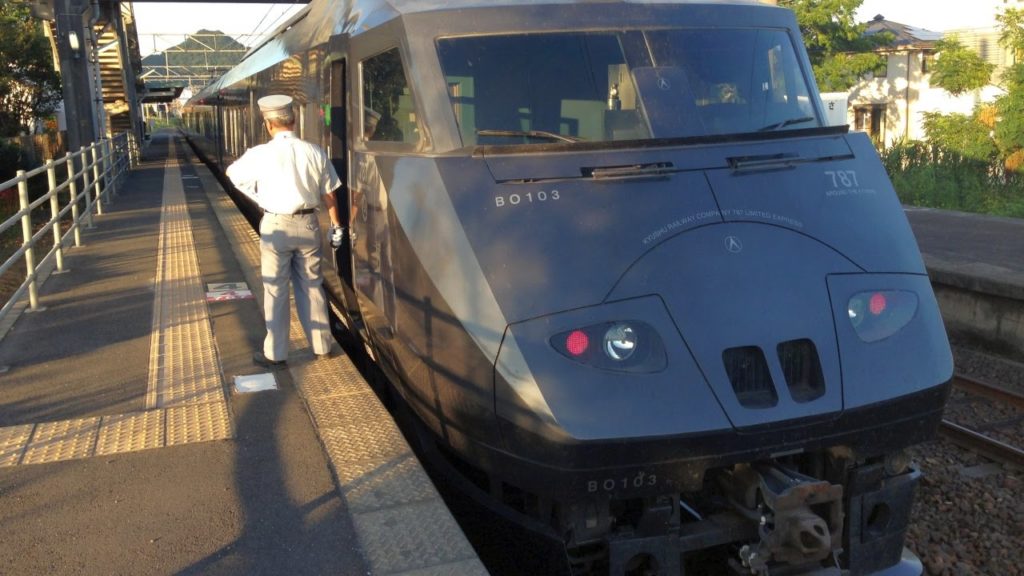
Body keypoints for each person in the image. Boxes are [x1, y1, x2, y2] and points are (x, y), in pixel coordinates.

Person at [225, 94, 345, 368]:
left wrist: (257, 195)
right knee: (312, 285)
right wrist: (336, 225)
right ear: (293, 120)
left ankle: (276, 354)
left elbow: (233, 174)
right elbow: (329, 194)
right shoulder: (314, 151)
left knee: (276, 289)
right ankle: (322, 347)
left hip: (276, 225)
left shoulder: (260, 154)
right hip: (308, 224)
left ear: (268, 124)